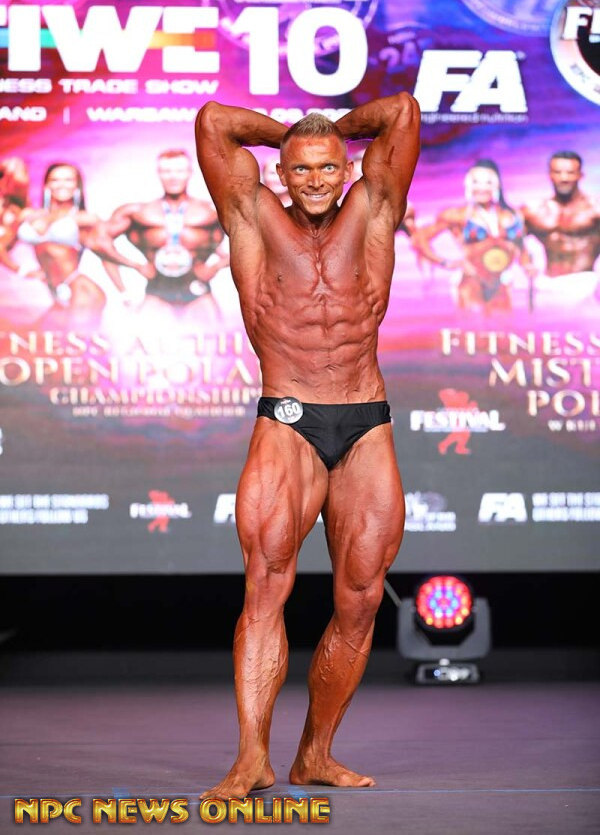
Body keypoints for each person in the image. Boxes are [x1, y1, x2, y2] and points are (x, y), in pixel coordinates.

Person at [194, 93, 420, 799]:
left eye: (327, 167)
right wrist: (295, 133)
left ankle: (315, 754)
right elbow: (214, 122)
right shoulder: (251, 213)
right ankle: (251, 759)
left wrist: (327, 133)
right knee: (265, 587)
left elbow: (402, 112)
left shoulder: (373, 207)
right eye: (300, 169)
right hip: (288, 418)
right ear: (281, 174)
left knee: (361, 598)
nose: (316, 180)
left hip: (365, 421)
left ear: (347, 168)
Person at [0, 162, 149, 326]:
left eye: (68, 180)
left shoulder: (86, 219)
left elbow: (104, 253)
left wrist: (124, 291)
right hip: (56, 293)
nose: (62, 185)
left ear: (77, 186)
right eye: (55, 180)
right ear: (47, 185)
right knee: (46, 336)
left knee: (76, 337)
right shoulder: (29, 216)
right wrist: (22, 271)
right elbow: (2, 246)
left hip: (83, 291)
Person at [106, 149, 229, 323]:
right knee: (145, 340)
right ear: (158, 173)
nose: (173, 177)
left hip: (198, 292)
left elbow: (254, 243)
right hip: (157, 293)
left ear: (190, 172)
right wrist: (134, 269)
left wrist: (216, 266)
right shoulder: (138, 213)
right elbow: (99, 243)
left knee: (215, 339)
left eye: (179, 171)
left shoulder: (212, 211)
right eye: (167, 171)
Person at [414, 159, 534, 313]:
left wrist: (527, 266)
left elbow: (521, 248)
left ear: (496, 185)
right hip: (471, 283)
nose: (482, 188)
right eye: (476, 182)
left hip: (501, 285)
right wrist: (446, 263)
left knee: (504, 325)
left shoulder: (511, 215)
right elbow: (419, 239)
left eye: (487, 182)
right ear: (469, 185)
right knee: (473, 324)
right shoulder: (458, 215)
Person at [521, 151, 600, 307]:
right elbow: (511, 240)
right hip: (547, 284)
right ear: (550, 175)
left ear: (580, 175)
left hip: (585, 284)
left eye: (570, 173)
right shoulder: (534, 211)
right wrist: (526, 262)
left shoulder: (595, 209)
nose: (564, 178)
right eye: (558, 172)